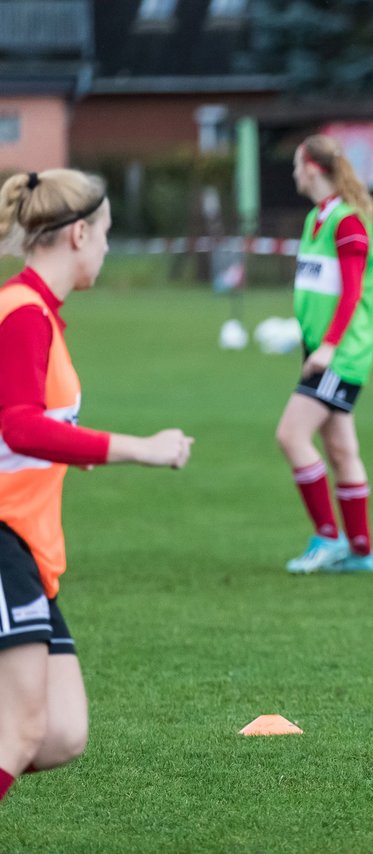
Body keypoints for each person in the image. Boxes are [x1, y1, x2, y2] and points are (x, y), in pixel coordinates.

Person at [0, 168, 194, 802]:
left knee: (61, 733)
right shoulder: (23, 313)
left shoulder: (40, 314)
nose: (108, 248)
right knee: (24, 728)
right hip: (4, 539)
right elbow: (21, 426)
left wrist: (73, 452)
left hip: (26, 545)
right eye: (106, 233)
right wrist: (138, 449)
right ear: (79, 233)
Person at [276, 135, 373, 574]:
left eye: (298, 164)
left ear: (314, 168)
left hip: (340, 355)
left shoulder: (348, 222)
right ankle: (361, 552)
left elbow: (353, 293)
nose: (294, 172)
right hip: (324, 350)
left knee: (292, 436)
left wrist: (328, 346)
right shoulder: (316, 219)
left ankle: (328, 537)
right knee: (340, 448)